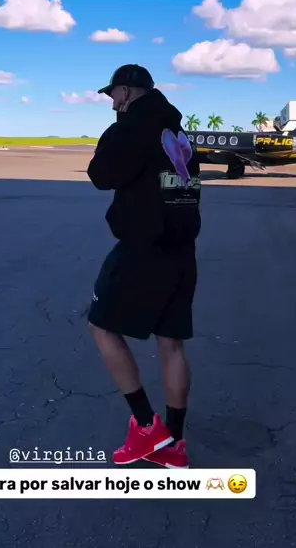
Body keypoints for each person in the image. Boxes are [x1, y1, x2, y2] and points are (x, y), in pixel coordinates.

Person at [87, 64, 201, 468]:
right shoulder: (178, 132)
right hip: (182, 249)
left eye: (113, 94)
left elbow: (101, 176)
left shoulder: (132, 127)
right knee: (171, 343)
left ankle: (147, 425)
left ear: (127, 91)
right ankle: (175, 443)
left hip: (144, 247)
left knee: (102, 326)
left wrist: (119, 130)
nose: (111, 103)